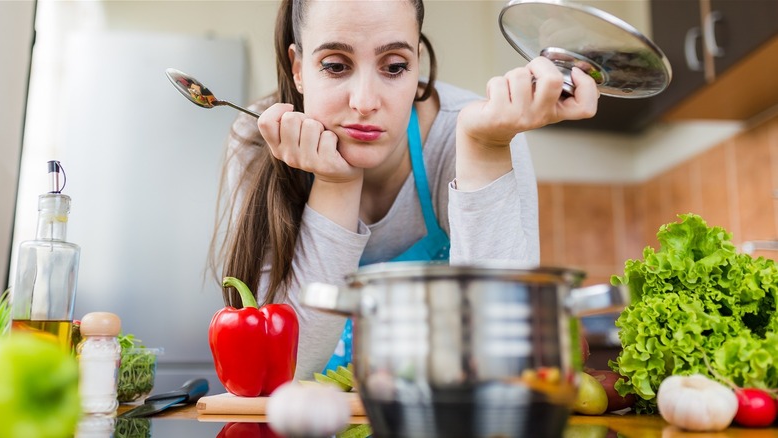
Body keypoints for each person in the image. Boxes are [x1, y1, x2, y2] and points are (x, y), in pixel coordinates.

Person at [210, 0, 599, 380]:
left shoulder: (475, 132)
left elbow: (514, 359)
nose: (364, 103)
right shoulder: (255, 140)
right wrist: (336, 184)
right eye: (335, 66)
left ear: (417, 64)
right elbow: (282, 374)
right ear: (298, 68)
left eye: (394, 67)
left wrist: (486, 150)